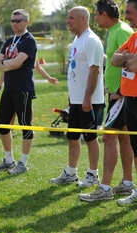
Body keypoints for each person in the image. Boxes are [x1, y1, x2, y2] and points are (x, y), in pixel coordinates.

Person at [79, 0, 135, 202]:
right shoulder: (115, 31)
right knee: (123, 137)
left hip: (121, 95)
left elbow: (130, 61)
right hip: (117, 92)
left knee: (109, 137)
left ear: (104, 15)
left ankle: (104, 188)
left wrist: (120, 90)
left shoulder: (122, 31)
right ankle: (128, 183)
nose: (95, 18)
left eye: (96, 14)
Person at [50, 6, 105, 186]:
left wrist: (87, 98)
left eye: (71, 18)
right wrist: (73, 97)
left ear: (82, 19)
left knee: (90, 138)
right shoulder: (77, 39)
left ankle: (93, 174)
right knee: (72, 137)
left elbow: (95, 70)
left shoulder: (92, 40)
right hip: (76, 101)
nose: (68, 21)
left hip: (89, 101)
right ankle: (71, 172)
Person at [0, 9, 37, 175]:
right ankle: (8, 159)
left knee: (25, 125)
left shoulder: (29, 40)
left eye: (18, 20)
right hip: (8, 88)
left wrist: (6, 62)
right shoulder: (10, 40)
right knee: (2, 124)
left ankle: (23, 163)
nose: (15, 23)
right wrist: (9, 63)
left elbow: (18, 63)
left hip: (23, 89)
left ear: (26, 22)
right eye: (13, 20)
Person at [111, 0, 137, 205]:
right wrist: (129, 57)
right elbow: (113, 59)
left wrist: (126, 58)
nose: (126, 16)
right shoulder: (135, 36)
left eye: (129, 12)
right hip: (130, 99)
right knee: (136, 148)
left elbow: (134, 65)